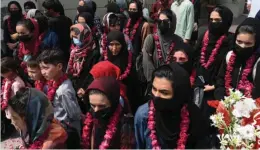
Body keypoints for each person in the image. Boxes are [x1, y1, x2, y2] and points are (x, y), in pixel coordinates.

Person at [134, 63, 207, 149]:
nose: (156, 96)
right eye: (154, 89)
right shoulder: (143, 115)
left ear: (179, 95)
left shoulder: (194, 117)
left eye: (164, 92)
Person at [193, 6, 234, 148]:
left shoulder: (230, 41)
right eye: (211, 19)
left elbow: (230, 69)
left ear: (227, 21)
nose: (213, 23)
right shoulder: (204, 36)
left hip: (217, 88)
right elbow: (196, 57)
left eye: (218, 20)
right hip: (200, 84)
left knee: (213, 121)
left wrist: (216, 86)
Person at [37, 50, 82, 148]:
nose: (43, 72)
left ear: (59, 67)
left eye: (46, 68)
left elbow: (74, 114)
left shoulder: (63, 91)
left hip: (67, 131)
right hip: (57, 126)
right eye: (41, 68)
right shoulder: (53, 82)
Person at [81, 77, 134, 149]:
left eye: (102, 106)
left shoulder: (124, 125)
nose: (96, 110)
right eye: (92, 105)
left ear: (113, 102)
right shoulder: (90, 120)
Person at [215, 18, 260, 100]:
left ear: (256, 43)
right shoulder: (230, 55)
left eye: (248, 43)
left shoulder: (258, 62)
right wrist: (221, 98)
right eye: (239, 42)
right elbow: (220, 79)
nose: (243, 46)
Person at [100, 30, 140, 113]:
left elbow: (134, 82)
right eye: (111, 45)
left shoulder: (130, 59)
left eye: (117, 44)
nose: (114, 48)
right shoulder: (103, 59)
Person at [142, 9, 184, 82]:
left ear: (172, 23)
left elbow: (180, 64)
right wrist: (155, 80)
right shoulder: (151, 39)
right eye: (159, 21)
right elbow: (147, 62)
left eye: (165, 22)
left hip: (173, 83)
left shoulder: (178, 40)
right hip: (155, 83)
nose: (161, 24)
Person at [67, 23, 100, 111]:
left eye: (77, 37)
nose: (75, 40)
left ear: (85, 36)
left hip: (86, 88)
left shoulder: (94, 52)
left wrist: (84, 88)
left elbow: (92, 73)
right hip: (75, 88)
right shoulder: (74, 51)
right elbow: (70, 70)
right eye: (73, 37)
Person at [1, 57, 26, 139]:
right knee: (16, 124)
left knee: (21, 127)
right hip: (11, 110)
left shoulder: (17, 84)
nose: (0, 75)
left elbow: (20, 101)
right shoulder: (8, 79)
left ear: (10, 71)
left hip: (16, 111)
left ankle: (25, 141)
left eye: (2, 72)